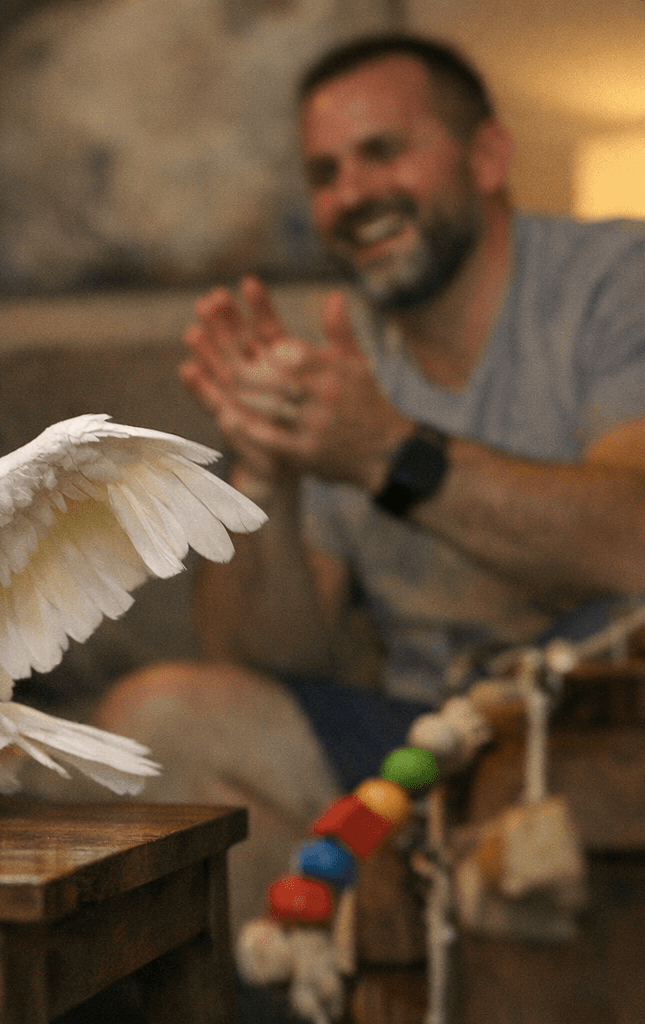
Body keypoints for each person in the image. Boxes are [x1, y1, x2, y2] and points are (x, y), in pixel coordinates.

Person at [93, 33, 645, 929]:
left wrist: (390, 454)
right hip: (416, 746)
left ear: (487, 156)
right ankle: (418, 926)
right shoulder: (338, 366)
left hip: (593, 729)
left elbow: (634, 540)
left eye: (382, 152)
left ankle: (429, 920)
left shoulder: (613, 282)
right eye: (326, 172)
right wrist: (265, 478)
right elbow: (265, 661)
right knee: (150, 727)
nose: (351, 195)